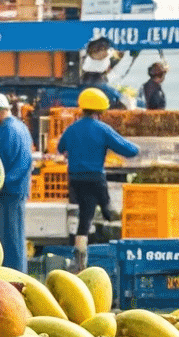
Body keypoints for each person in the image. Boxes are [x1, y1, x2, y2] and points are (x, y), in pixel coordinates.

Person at [57, 87, 139, 270]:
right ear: (101, 112)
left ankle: (80, 256)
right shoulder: (102, 129)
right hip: (96, 178)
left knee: (86, 215)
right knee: (108, 211)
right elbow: (129, 150)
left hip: (76, 179)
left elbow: (60, 147)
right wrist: (138, 149)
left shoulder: (72, 129)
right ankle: (119, 248)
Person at [0, 92, 33, 272]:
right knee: (13, 239)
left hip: (7, 191)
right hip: (15, 189)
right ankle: (16, 278)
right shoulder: (20, 127)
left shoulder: (6, 131)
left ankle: (13, 280)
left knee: (9, 242)